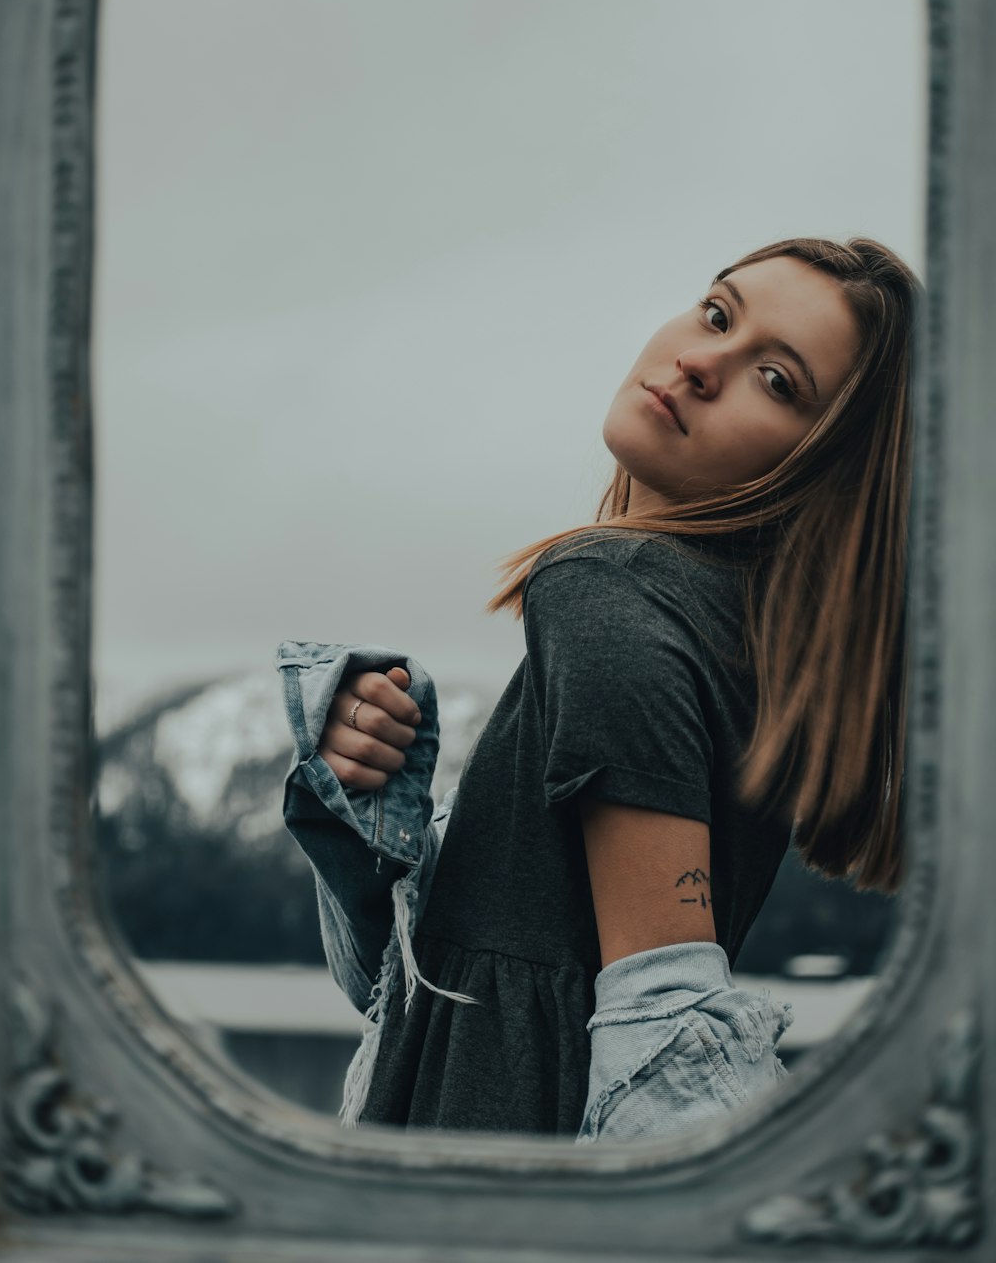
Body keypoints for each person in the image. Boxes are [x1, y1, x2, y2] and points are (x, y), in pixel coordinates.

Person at [280, 235, 920, 1142]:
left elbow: (661, 1019)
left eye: (778, 381)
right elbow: (464, 986)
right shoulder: (743, 638)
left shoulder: (606, 590)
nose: (701, 363)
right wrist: (371, 812)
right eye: (717, 313)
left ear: (830, 468)